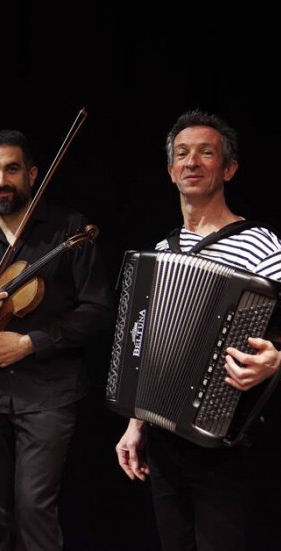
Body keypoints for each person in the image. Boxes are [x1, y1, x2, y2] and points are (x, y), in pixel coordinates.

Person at [0, 129, 115, 551]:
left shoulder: (69, 230)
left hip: (50, 393)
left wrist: (31, 342)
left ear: (32, 174)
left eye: (12, 169)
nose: (2, 180)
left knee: (34, 509)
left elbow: (98, 310)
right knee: (1, 515)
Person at [114, 109, 281, 551]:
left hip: (226, 438)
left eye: (207, 153)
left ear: (229, 169)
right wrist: (136, 424)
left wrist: (277, 361)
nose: (192, 162)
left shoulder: (262, 244)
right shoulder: (161, 252)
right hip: (167, 441)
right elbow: (148, 349)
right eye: (182, 154)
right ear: (170, 171)